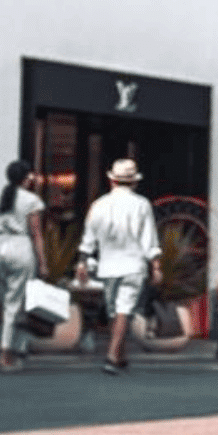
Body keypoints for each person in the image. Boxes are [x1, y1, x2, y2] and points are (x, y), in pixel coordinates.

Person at [75, 159, 162, 375]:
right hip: (133, 264)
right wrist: (156, 266)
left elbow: (89, 237)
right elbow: (149, 239)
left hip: (108, 266)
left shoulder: (99, 205)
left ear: (112, 180)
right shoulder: (141, 205)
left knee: (115, 311)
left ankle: (118, 355)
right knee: (124, 310)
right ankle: (114, 355)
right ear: (134, 182)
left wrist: (83, 261)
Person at [0, 160, 49, 372]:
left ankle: (11, 345)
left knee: (5, 301)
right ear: (26, 178)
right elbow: (36, 233)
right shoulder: (31, 200)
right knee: (15, 303)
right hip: (20, 247)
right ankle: (6, 353)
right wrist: (43, 263)